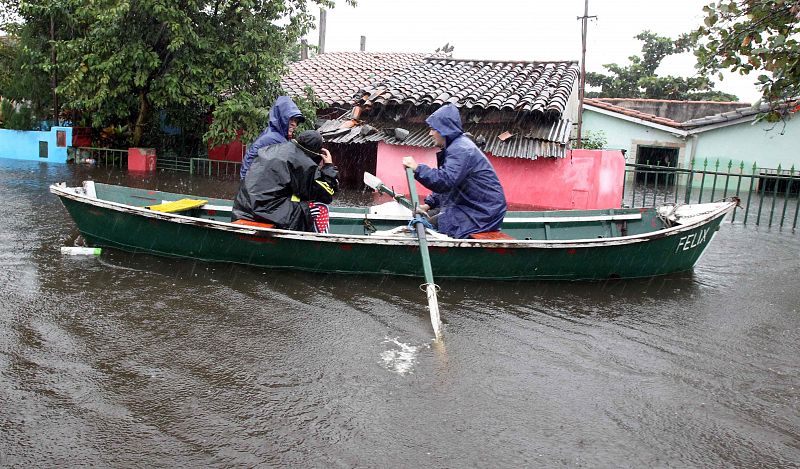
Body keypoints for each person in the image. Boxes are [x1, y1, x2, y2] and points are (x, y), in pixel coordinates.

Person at [401, 104, 507, 239]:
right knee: (428, 216)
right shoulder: (456, 147)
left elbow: (445, 181)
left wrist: (417, 168)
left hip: (482, 213)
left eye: (433, 129)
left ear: (444, 130)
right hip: (472, 207)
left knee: (426, 225)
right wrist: (429, 204)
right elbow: (451, 183)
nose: (430, 134)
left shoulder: (461, 149)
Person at [232, 130, 338, 233]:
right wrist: (328, 167)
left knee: (297, 197)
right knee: (321, 207)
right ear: (315, 152)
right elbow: (326, 194)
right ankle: (319, 245)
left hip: (244, 210)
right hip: (267, 211)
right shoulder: (302, 162)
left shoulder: (274, 149)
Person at [240, 96, 305, 180]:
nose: (294, 124)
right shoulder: (274, 139)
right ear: (281, 118)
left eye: (296, 121)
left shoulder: (275, 135)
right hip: (256, 187)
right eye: (291, 119)